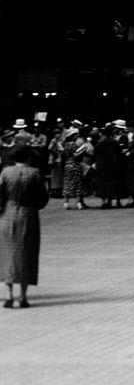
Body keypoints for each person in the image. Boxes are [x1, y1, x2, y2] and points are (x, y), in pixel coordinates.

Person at [0, 145, 49, 308]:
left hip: (7, 214)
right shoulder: (35, 173)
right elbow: (42, 198)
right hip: (28, 215)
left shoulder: (6, 172)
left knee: (6, 253)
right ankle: (22, 296)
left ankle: (8, 294)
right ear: (29, 157)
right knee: (27, 254)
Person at [93, 126, 123, 209]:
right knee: (112, 183)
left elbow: (95, 152)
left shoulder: (101, 143)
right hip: (113, 165)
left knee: (102, 184)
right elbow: (119, 153)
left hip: (102, 166)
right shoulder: (115, 142)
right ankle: (111, 201)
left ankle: (104, 202)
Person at [61, 128, 87, 210]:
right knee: (78, 184)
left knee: (68, 184)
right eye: (75, 135)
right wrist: (83, 149)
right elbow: (75, 155)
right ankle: (78, 203)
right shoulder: (74, 145)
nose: (77, 136)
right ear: (73, 136)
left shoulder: (65, 145)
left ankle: (66, 203)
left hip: (67, 165)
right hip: (75, 165)